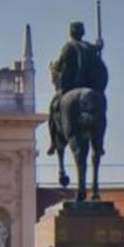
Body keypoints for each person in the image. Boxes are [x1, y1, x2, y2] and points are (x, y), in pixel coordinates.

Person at [47, 21, 106, 155]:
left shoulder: (68, 46)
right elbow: (97, 49)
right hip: (90, 86)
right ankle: (100, 144)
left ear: (71, 32)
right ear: (82, 32)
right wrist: (99, 45)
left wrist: (54, 67)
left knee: (53, 107)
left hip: (70, 86)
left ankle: (53, 143)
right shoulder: (89, 47)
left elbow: (60, 64)